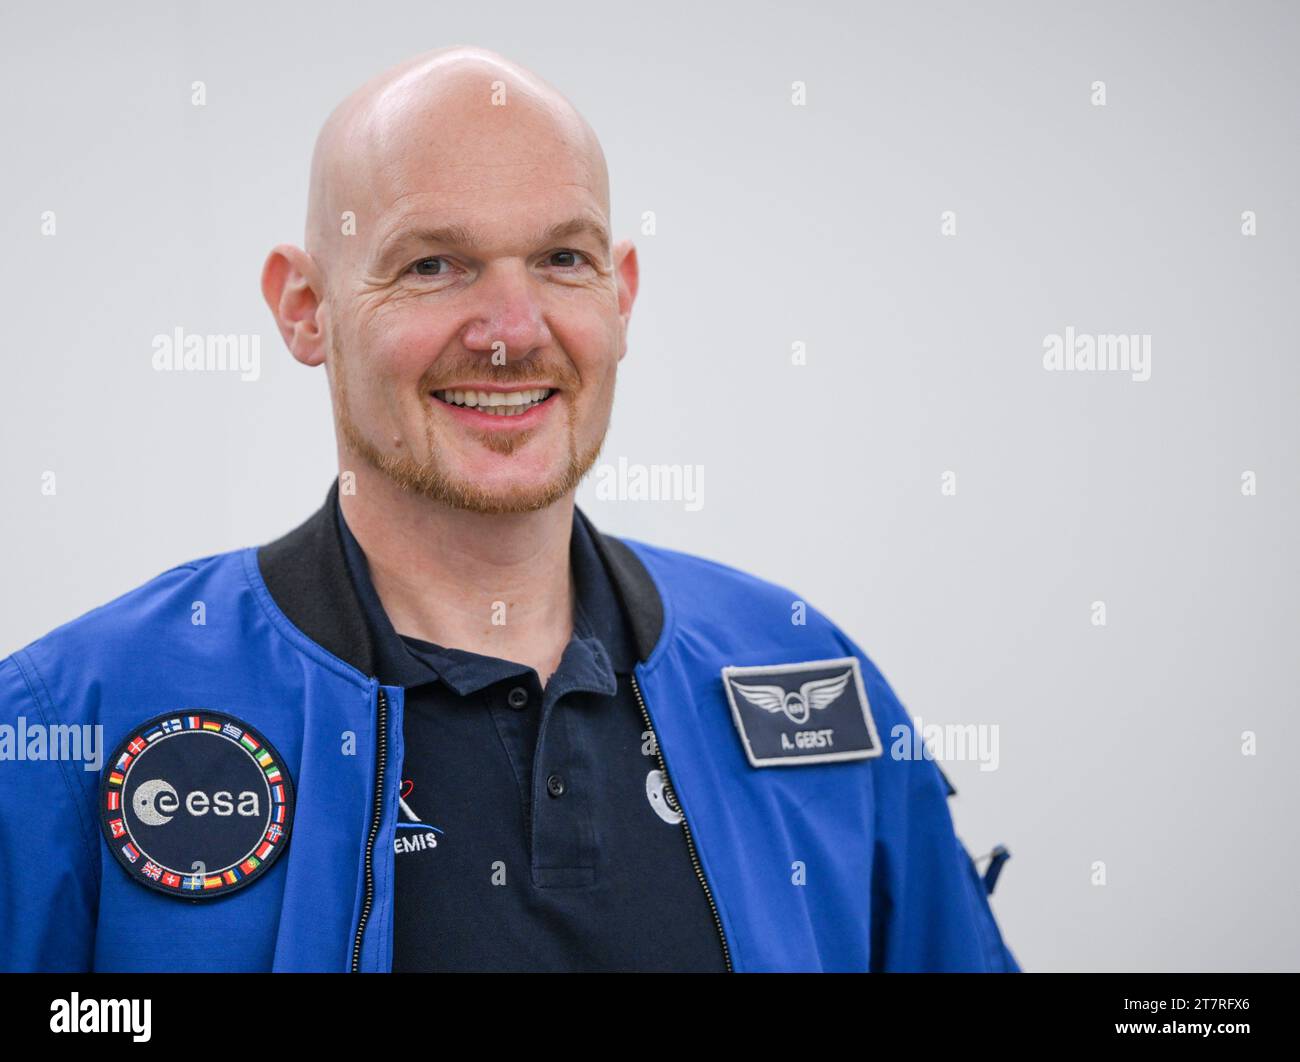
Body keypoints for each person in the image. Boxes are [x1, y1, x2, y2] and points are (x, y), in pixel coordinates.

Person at [0, 45, 1018, 972]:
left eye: (561, 260)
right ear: (305, 309)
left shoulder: (800, 685)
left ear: (619, 298)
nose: (511, 329)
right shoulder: (73, 720)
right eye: (432, 264)